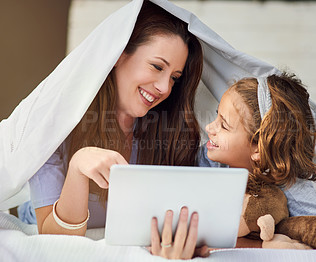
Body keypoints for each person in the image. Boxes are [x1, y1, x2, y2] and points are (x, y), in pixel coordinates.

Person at [23, 0, 206, 259]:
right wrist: (77, 167)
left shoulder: (170, 130)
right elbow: (55, 240)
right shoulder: (54, 125)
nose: (165, 88)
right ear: (119, 54)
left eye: (175, 77)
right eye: (156, 67)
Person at [197, 72, 316, 246]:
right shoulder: (209, 161)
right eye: (217, 116)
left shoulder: (289, 185)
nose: (209, 128)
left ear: (258, 148)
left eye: (224, 125)